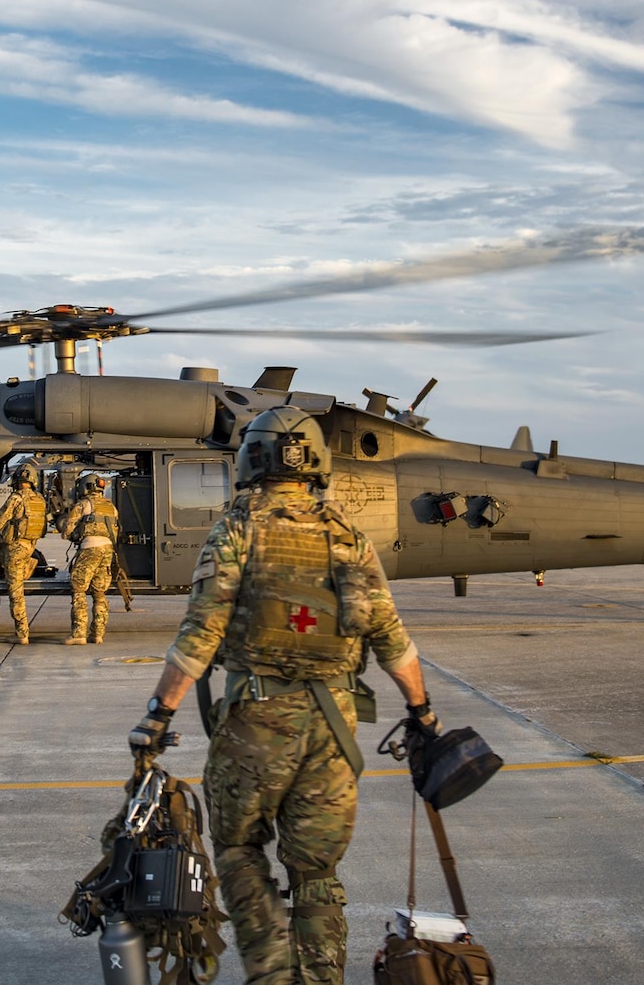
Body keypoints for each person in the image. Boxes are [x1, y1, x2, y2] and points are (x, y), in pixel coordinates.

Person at [129, 407, 437, 985]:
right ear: (315, 461)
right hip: (334, 735)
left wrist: (158, 714)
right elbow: (394, 642)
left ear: (252, 460)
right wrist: (423, 712)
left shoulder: (238, 530)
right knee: (316, 871)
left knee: (241, 851)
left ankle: (270, 975)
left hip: (256, 728)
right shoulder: (348, 538)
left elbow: (201, 634)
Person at [0, 462, 48, 645]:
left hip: (15, 549)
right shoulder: (39, 499)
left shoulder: (16, 498)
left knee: (16, 592)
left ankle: (22, 634)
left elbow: (0, 521)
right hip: (31, 547)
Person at [62, 474, 120, 646]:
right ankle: (97, 634)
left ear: (85, 488)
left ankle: (79, 633)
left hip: (90, 548)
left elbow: (67, 529)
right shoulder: (111, 507)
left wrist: (72, 534)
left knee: (79, 590)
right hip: (108, 550)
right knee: (100, 593)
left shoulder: (83, 504)